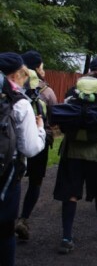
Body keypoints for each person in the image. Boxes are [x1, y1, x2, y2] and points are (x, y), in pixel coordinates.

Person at [53, 57, 97, 254]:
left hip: (72, 151)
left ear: (90, 69)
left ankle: (66, 238)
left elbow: (64, 115)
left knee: (70, 193)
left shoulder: (74, 89)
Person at [0, 52, 46, 266]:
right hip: (7, 175)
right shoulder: (20, 103)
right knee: (5, 232)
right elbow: (29, 148)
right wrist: (40, 130)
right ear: (19, 73)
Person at [14, 51, 57, 241]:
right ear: (37, 67)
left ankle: (9, 216)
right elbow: (54, 118)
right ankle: (24, 219)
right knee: (35, 182)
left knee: (13, 180)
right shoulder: (46, 91)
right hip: (39, 141)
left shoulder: (14, 87)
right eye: (42, 66)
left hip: (16, 141)